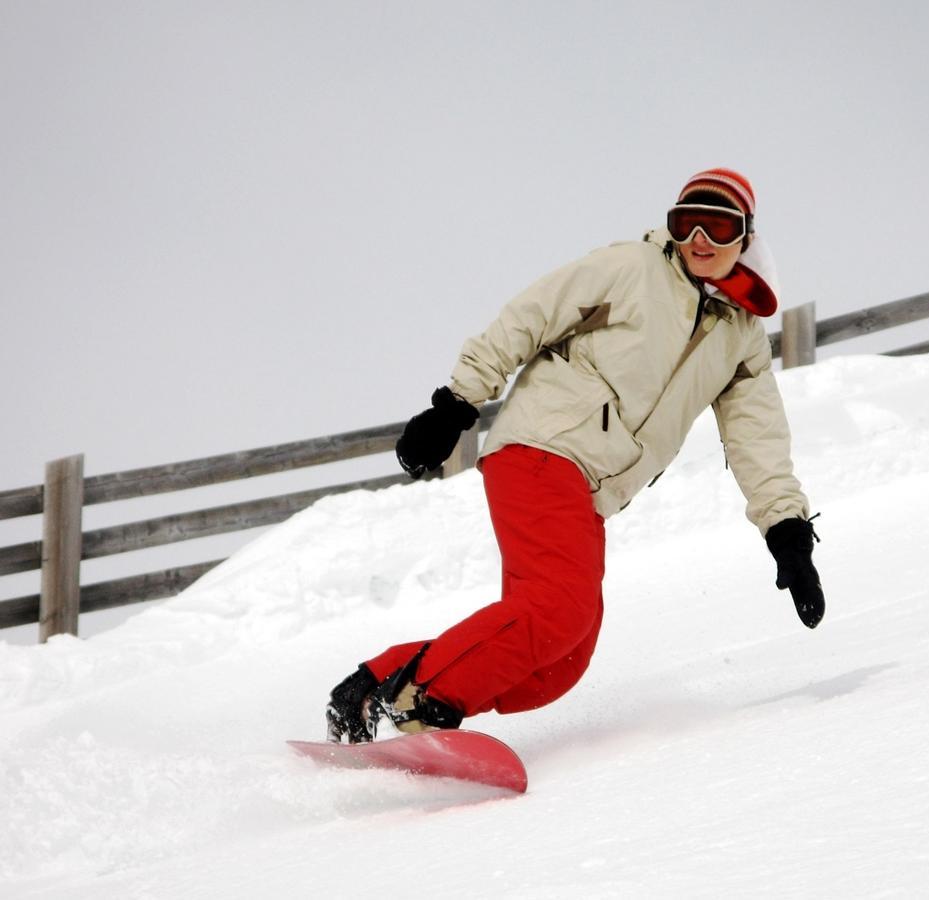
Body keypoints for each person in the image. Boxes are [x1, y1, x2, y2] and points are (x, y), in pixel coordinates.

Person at [326, 168, 826, 742]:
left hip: (590, 493)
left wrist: (786, 530)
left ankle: (381, 682)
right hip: (544, 447)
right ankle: (423, 700)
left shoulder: (741, 336)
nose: (699, 242)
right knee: (557, 610)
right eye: (686, 224)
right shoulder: (632, 269)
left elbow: (757, 436)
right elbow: (532, 313)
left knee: (562, 660)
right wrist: (457, 403)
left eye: (717, 227)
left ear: (746, 237)